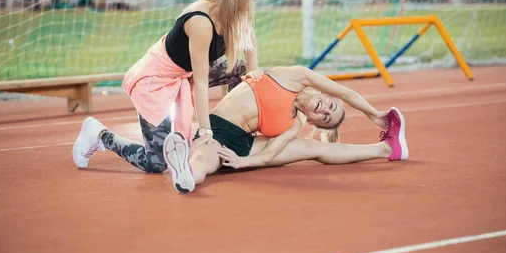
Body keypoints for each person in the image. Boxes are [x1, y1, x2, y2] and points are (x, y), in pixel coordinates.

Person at [73, 65, 408, 193]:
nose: (325, 110)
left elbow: (275, 150)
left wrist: (244, 162)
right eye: (329, 106)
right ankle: (182, 168)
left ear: (317, 123)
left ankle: (386, 149)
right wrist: (375, 115)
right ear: (323, 96)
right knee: (190, 156)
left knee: (310, 149)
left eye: (326, 119)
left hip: (246, 147)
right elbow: (347, 92)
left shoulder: (296, 123)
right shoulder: (295, 75)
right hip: (216, 126)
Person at [72, 0, 263, 174]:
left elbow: (248, 37)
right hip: (157, 77)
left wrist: (253, 70)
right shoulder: (201, 21)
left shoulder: (234, 12)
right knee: (155, 163)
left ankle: (232, 133)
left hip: (186, 73)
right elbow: (200, 84)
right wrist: (205, 132)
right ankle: (99, 135)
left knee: (241, 72)